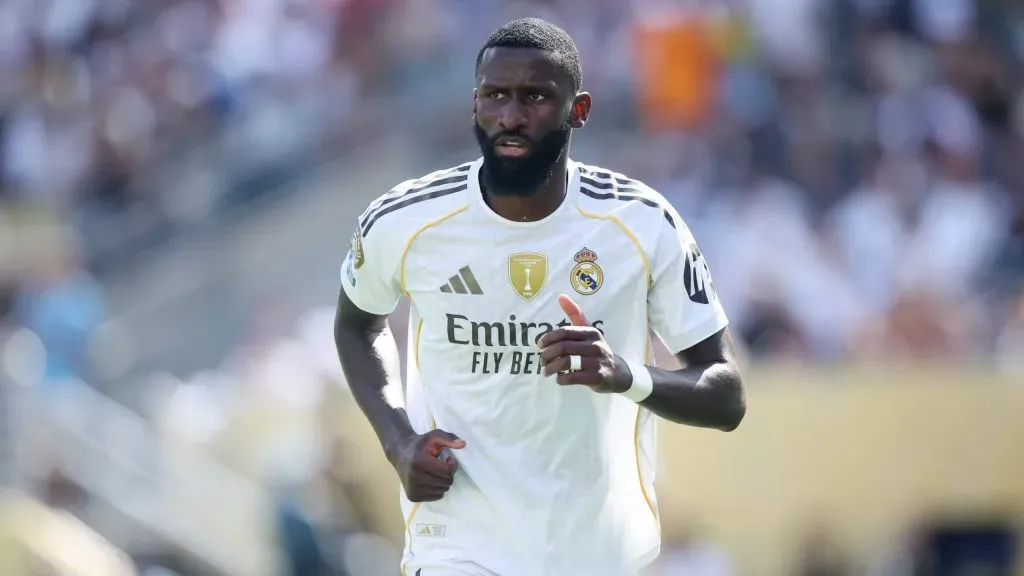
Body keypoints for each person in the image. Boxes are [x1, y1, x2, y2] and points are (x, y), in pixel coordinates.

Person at [334, 17, 746, 576]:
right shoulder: (405, 220)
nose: (511, 115)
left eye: (536, 97)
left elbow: (725, 395)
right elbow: (357, 323)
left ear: (579, 110)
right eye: (495, 95)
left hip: (600, 551)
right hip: (457, 545)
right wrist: (398, 440)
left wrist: (625, 374)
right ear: (473, 104)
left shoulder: (641, 223)